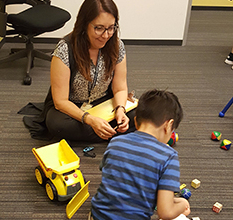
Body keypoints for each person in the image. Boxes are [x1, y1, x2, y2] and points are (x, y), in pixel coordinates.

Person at [19, 0, 135, 142]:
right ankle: (109, 131)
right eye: (99, 28)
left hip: (103, 102)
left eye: (111, 28)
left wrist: (120, 110)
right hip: (72, 107)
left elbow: (120, 88)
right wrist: (90, 120)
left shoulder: (117, 46)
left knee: (138, 113)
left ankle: (103, 131)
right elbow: (60, 101)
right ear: (85, 24)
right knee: (57, 124)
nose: (106, 35)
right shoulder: (65, 49)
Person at [90, 89, 191, 220]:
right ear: (169, 125)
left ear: (136, 121)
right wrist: (182, 205)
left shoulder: (116, 142)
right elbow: (165, 212)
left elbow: (109, 173)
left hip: (98, 215)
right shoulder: (168, 156)